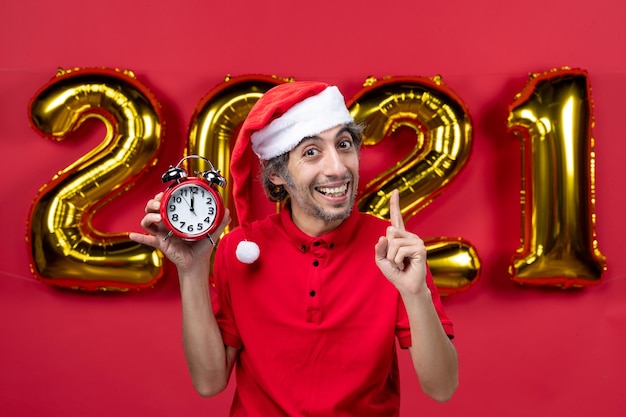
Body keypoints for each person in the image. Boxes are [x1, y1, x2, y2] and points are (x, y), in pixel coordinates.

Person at [130, 81, 458, 416]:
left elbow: (442, 388)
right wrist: (191, 270)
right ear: (277, 175)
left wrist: (416, 294)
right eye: (312, 152)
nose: (338, 167)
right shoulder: (240, 250)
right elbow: (209, 382)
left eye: (344, 145)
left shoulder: (394, 249)